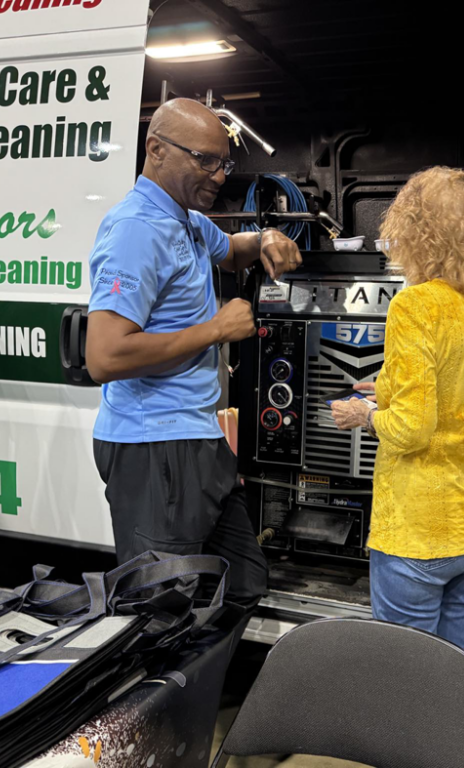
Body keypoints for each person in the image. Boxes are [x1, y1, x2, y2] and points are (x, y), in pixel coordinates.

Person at [85, 99, 301, 609]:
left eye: (224, 163)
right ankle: (154, 688)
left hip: (195, 441)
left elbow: (231, 247)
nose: (220, 175)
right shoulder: (137, 230)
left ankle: (200, 688)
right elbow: (105, 357)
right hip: (154, 446)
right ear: (156, 150)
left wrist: (267, 237)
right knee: (160, 609)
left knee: (242, 584)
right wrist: (214, 329)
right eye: (205, 160)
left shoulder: (185, 220)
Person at [331, 167, 464, 656]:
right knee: (456, 672)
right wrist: (390, 385)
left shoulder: (416, 306)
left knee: (403, 676)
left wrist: (363, 415)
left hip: (420, 531)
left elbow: (413, 430)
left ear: (413, 231)